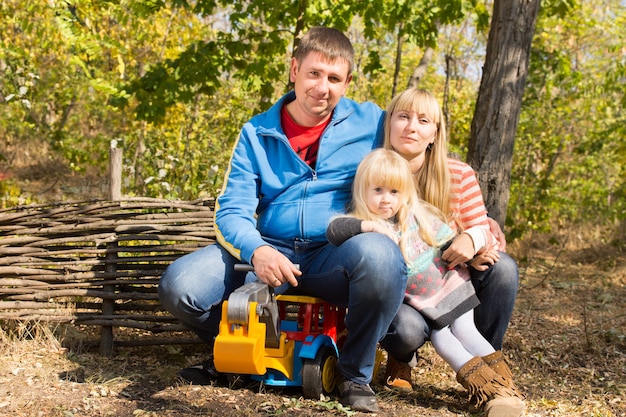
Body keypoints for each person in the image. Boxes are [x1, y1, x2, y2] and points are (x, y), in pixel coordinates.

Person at [157, 26, 407, 413]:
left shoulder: (372, 123)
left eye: (334, 78)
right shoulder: (257, 132)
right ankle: (238, 351)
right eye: (314, 73)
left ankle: (352, 374)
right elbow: (231, 211)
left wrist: (473, 221)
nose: (322, 87)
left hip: (335, 254)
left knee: (382, 257)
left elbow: (423, 151)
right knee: (180, 285)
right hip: (268, 251)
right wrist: (256, 250)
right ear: (294, 69)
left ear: (348, 82)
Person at [326, 149, 525, 417]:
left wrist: (473, 256)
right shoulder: (366, 225)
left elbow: (447, 242)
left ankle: (502, 388)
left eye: (394, 192)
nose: (386, 200)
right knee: (444, 340)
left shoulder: (416, 217)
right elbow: (334, 230)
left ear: (404, 193)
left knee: (467, 332)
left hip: (451, 286)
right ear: (363, 191)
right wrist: (367, 227)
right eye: (378, 190)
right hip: (423, 307)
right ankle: (484, 387)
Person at [379, 88, 521, 393]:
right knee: (406, 330)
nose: (411, 127)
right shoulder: (374, 174)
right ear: (389, 123)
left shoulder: (457, 174)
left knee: (504, 269)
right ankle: (400, 356)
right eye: (402, 117)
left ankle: (482, 363)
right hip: (404, 288)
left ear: (435, 133)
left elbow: (487, 236)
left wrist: (472, 239)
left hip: (450, 281)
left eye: (423, 120)